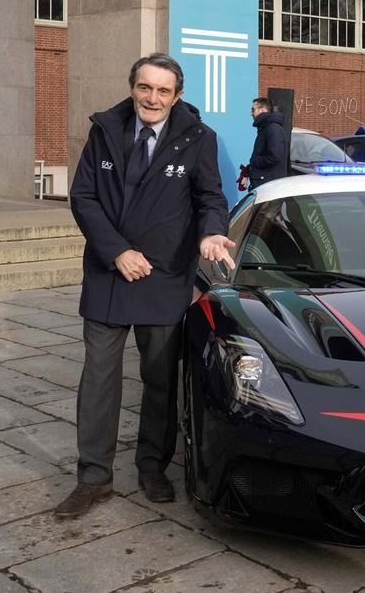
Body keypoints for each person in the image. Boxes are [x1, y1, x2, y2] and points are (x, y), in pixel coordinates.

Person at [55, 53, 235, 519]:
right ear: (132, 86)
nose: (152, 98)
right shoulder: (105, 129)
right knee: (98, 380)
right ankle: (93, 478)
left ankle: (153, 466)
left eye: (162, 90)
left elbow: (210, 197)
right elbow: (84, 197)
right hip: (109, 273)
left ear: (177, 96)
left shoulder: (198, 138)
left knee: (159, 379)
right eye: (144, 87)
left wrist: (212, 232)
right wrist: (117, 251)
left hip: (164, 276)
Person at [237, 96, 288, 191]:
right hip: (264, 183)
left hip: (268, 187)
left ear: (263, 110)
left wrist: (255, 162)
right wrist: (249, 170)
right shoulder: (266, 128)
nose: (251, 114)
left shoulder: (273, 129)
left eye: (253, 110)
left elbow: (275, 156)